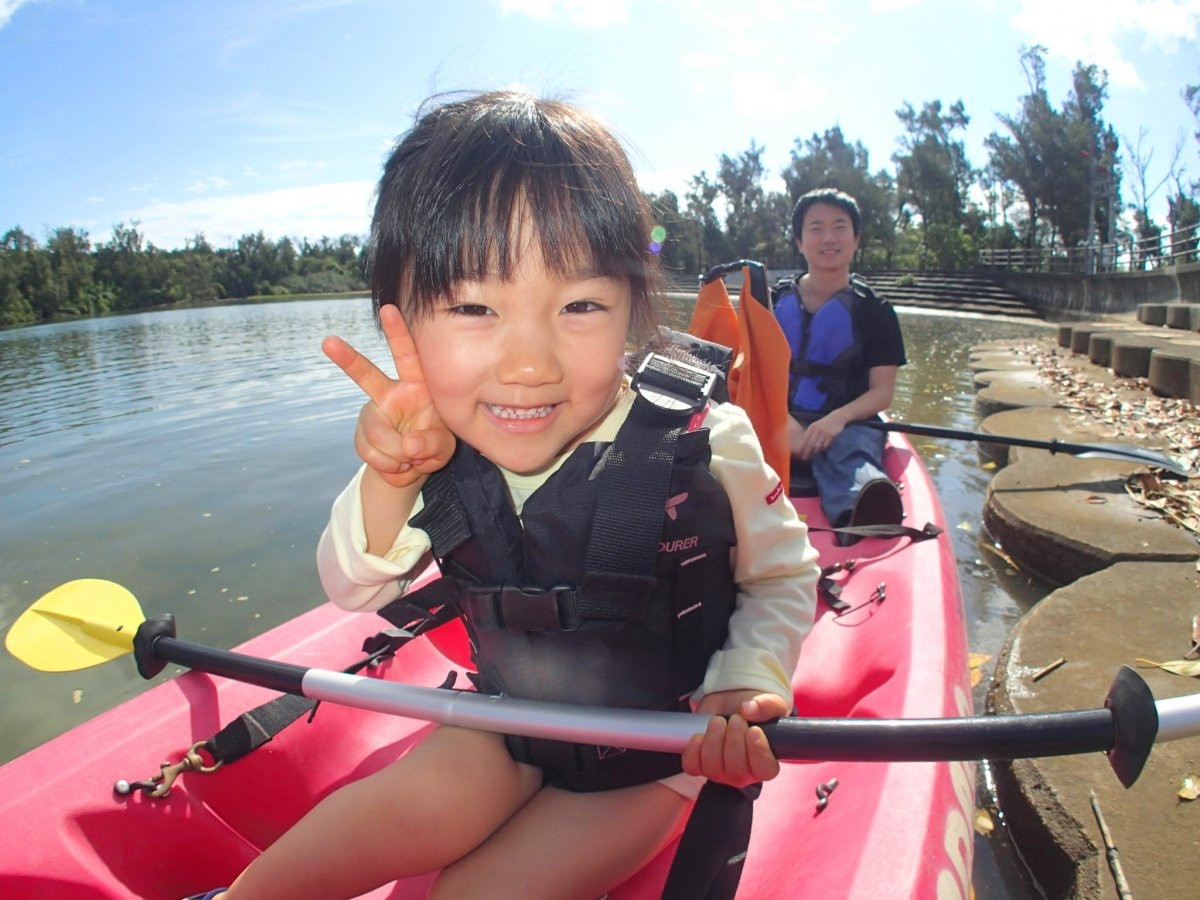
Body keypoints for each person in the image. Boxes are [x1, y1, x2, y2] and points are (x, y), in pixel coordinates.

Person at [209, 91, 819, 899]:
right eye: (472, 306)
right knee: (410, 808)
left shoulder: (711, 438)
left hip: (651, 753)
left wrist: (746, 678)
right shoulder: (430, 446)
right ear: (401, 319)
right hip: (506, 717)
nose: (528, 363)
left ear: (633, 306)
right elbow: (353, 587)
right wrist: (393, 479)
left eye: (579, 305)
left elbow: (782, 574)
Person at [772, 188, 907, 537]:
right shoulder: (770, 301)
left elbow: (882, 393)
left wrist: (835, 421)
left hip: (846, 423)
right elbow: (746, 374)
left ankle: (863, 507)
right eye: (816, 228)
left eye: (839, 227)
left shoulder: (876, 310)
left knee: (852, 452)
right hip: (776, 416)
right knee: (732, 439)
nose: (828, 238)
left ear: (856, 239)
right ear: (799, 242)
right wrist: (781, 421)